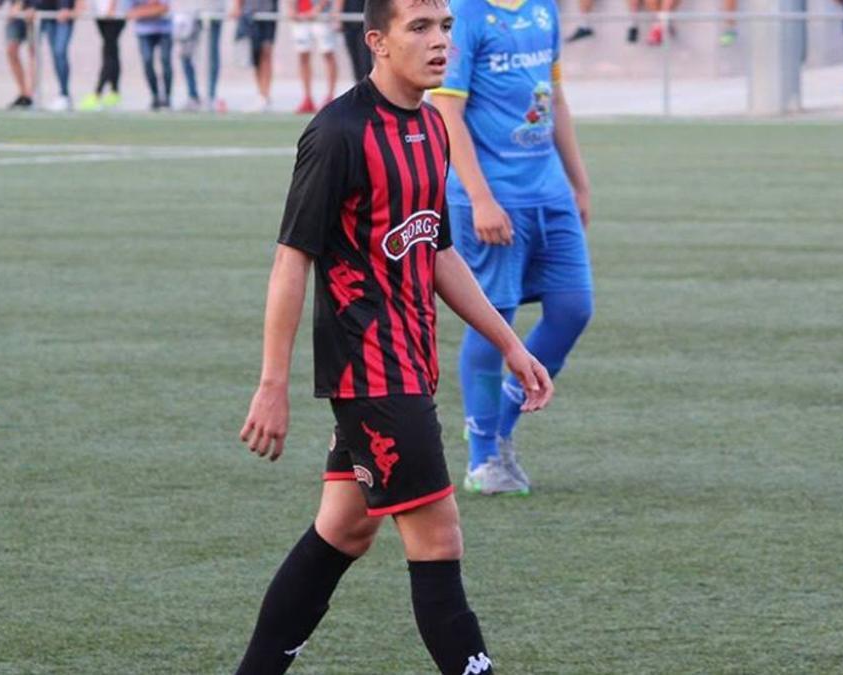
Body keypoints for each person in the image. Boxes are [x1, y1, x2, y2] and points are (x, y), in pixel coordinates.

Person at [235, 0, 553, 670]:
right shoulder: (338, 133)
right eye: (421, 28)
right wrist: (272, 384)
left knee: (344, 528)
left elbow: (436, 251)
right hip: (372, 374)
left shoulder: (433, 126)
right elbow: (292, 259)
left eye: (444, 27)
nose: (441, 41)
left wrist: (510, 343)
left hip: (408, 364)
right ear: (378, 41)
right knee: (439, 538)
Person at [430, 0, 593, 495]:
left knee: (572, 309)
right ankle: (484, 456)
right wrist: (480, 198)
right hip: (493, 196)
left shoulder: (544, 9)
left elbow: (556, 98)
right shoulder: (466, 14)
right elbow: (447, 111)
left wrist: (578, 183)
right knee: (492, 317)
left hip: (549, 191)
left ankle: (496, 422)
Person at [28, 0, 84, 110]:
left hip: (64, 17)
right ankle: (32, 95)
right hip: (47, 16)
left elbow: (80, 5)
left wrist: (74, 10)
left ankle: (64, 94)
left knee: (60, 52)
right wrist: (32, 7)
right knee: (39, 53)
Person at [289, 0, 337, 113]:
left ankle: (330, 96)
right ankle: (307, 97)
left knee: (327, 53)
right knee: (303, 55)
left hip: (321, 15)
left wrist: (317, 9)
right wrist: (291, 8)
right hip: (300, 16)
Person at [229, 0, 277, 111]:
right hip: (250, 13)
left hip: (269, 11)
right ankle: (261, 95)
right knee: (256, 55)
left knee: (266, 52)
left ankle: (266, 95)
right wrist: (237, 6)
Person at [126, 0, 174, 110]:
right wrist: (153, 8)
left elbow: (164, 8)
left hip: (164, 31)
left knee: (165, 61)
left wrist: (143, 9)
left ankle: (167, 97)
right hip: (144, 32)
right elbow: (130, 13)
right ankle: (155, 96)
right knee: (147, 61)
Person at [80, 0, 126, 110]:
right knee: (112, 52)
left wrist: (112, 7)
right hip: (100, 14)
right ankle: (114, 92)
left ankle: (98, 93)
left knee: (109, 52)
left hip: (113, 15)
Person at [336, 0, 370, 82]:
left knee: (365, 61)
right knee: (355, 60)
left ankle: (368, 88)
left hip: (366, 22)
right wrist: (338, 16)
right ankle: (360, 88)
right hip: (349, 21)